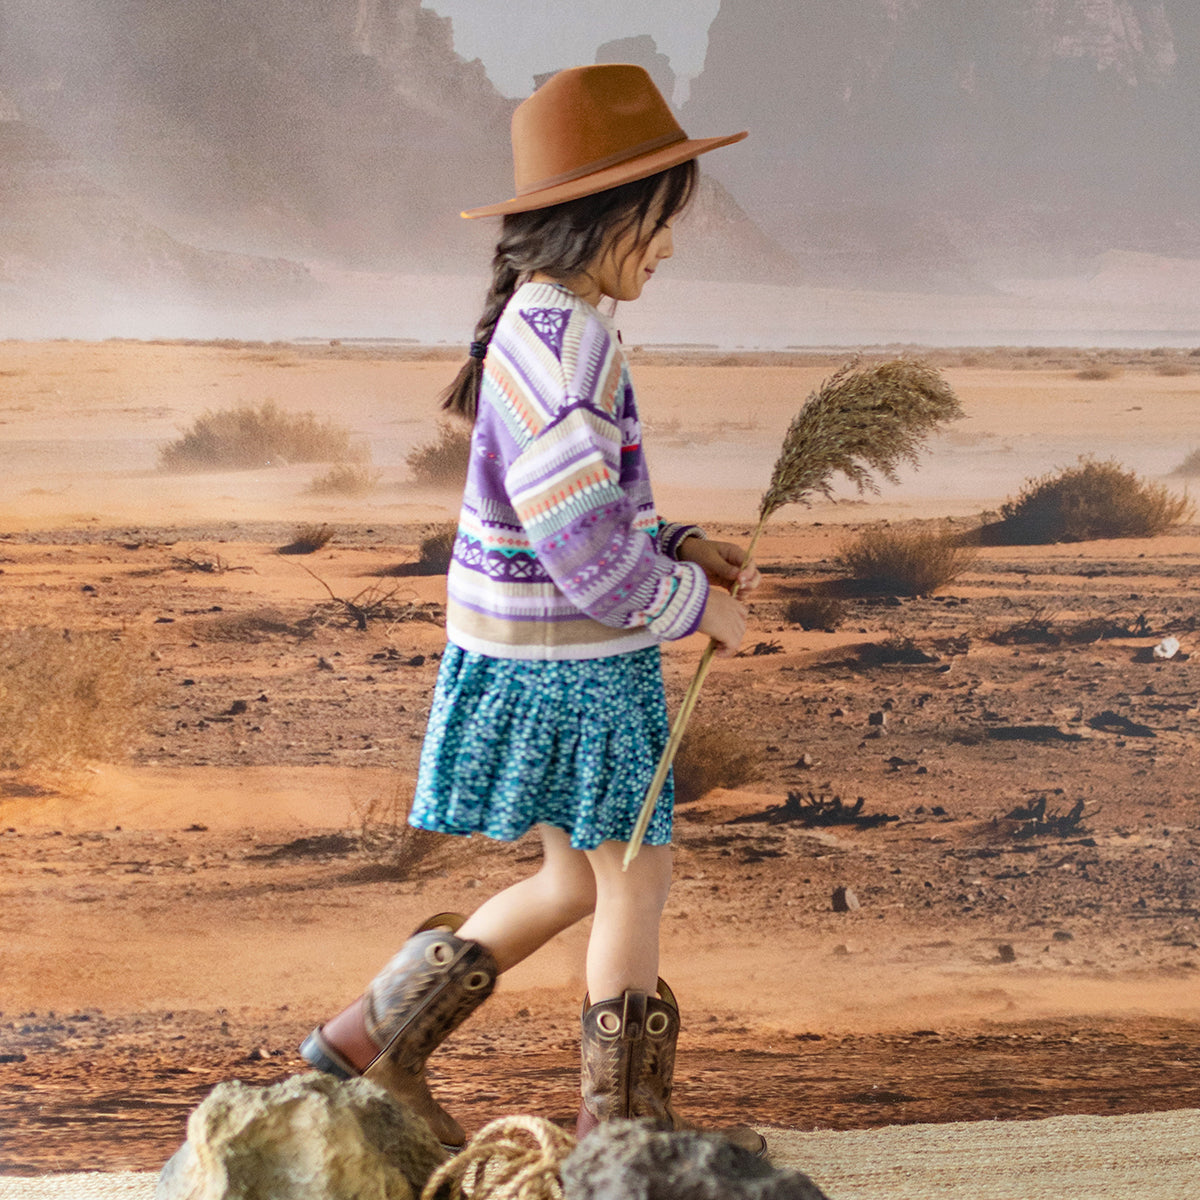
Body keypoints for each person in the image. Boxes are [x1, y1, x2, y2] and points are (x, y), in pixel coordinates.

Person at [300, 63, 763, 1155]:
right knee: (633, 878)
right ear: (600, 217)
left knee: (568, 876)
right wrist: (693, 602)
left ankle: (366, 1036)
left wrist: (676, 541)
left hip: (513, 652)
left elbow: (568, 511)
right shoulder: (576, 348)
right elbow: (586, 552)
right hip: (576, 666)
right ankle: (622, 1128)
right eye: (658, 221)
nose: (667, 245)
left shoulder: (534, 326)